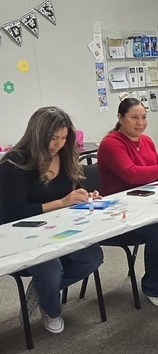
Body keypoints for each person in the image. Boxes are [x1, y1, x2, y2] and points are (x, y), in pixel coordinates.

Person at [0, 107, 104, 333]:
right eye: (54, 138)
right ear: (37, 135)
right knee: (50, 268)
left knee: (92, 257)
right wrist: (61, 203)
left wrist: (84, 196)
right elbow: (11, 215)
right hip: (24, 235)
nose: (59, 144)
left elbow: (73, 190)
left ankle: (42, 290)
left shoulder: (65, 157)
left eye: (64, 138)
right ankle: (52, 308)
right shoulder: (14, 164)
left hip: (61, 230)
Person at [97, 98, 158, 307]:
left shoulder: (147, 141)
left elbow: (157, 174)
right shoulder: (111, 143)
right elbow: (131, 175)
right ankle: (153, 285)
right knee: (157, 231)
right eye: (134, 118)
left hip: (147, 205)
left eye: (143, 117)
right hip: (121, 213)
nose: (140, 123)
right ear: (120, 118)